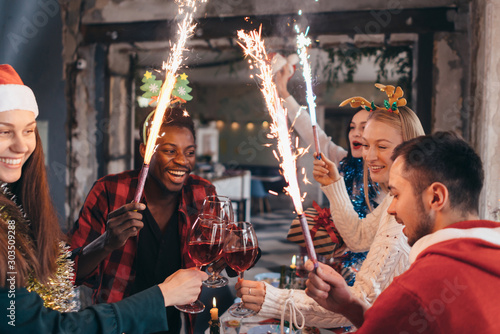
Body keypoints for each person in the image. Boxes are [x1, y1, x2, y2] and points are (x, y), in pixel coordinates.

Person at [0, 64, 207, 333]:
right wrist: (162, 294)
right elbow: (41, 320)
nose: (21, 145)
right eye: (4, 131)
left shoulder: (14, 214)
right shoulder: (111, 190)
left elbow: (54, 275)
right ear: (146, 151)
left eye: (29, 131)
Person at [237, 83, 424, 329]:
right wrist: (335, 185)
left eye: (382, 146)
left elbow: (359, 302)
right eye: (366, 145)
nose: (369, 155)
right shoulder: (395, 197)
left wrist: (272, 299)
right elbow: (359, 236)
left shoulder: (403, 214)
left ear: (408, 147)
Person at [306, 131, 500, 333]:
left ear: (435, 197)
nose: (391, 209)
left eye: (396, 195)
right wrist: (350, 306)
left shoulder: (420, 286)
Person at [70, 107, 216, 333]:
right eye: (170, 151)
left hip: (179, 325)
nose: (182, 161)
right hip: (119, 324)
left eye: (189, 152)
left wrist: (241, 252)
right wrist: (106, 243)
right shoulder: (109, 190)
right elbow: (71, 273)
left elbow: (216, 259)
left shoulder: (202, 193)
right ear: (145, 151)